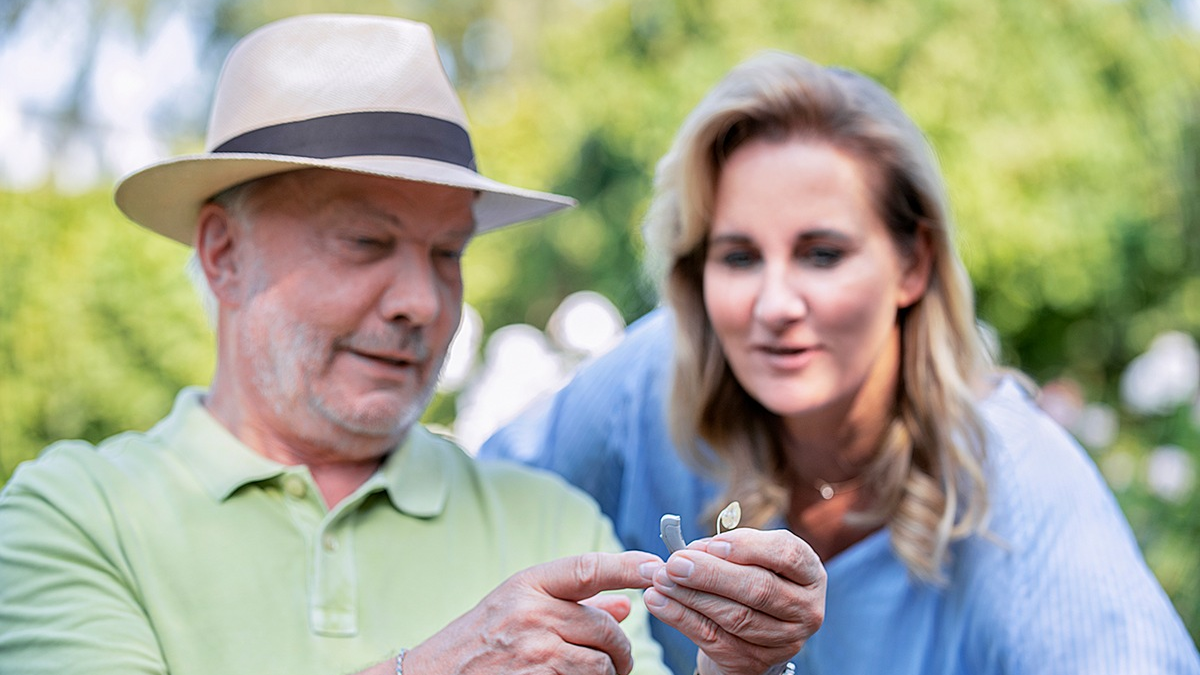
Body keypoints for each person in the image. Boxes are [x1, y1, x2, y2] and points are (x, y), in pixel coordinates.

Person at [0, 16, 826, 675]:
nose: (421, 301)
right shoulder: (73, 517)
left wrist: (741, 666)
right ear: (222, 252)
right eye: (364, 241)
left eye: (447, 253)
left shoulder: (551, 521)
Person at [481, 51, 1200, 674]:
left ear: (913, 262)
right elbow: (468, 513)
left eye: (821, 254)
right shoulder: (644, 384)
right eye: (737, 256)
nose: (774, 303)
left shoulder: (1013, 473)